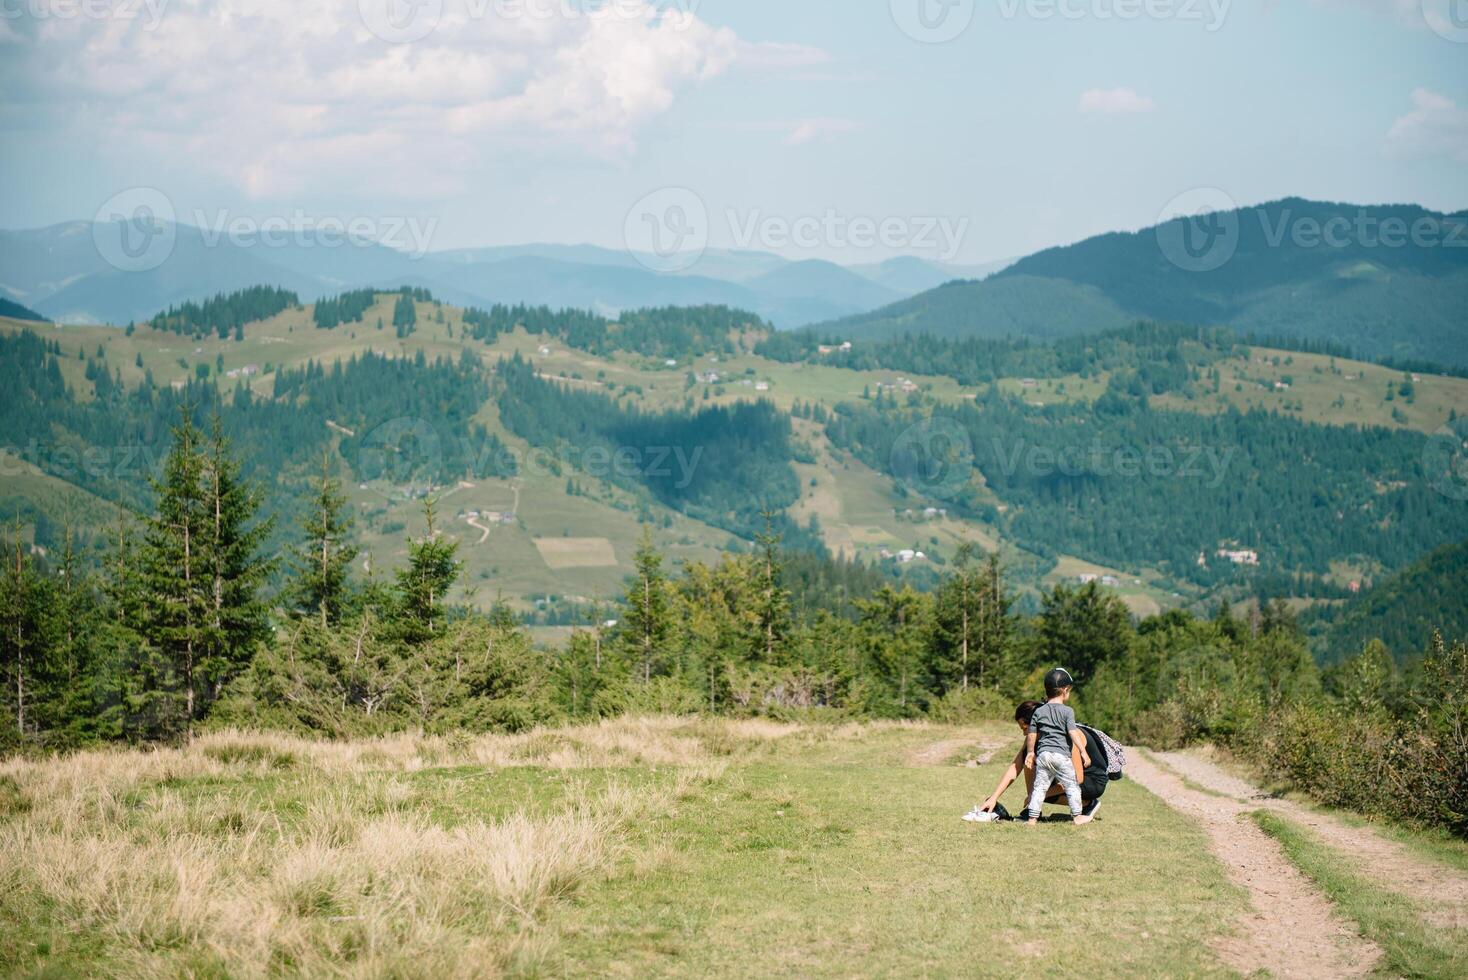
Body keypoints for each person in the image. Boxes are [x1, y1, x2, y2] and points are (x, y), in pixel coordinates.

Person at [964, 692, 1109, 823]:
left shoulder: (1066, 734)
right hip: (1068, 776)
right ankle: (1034, 811)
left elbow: (1078, 778)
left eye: (1026, 729)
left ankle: (1088, 804)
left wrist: (1038, 794)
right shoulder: (1033, 739)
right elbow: (1015, 767)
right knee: (1029, 758)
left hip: (1091, 780)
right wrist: (994, 798)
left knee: (1041, 791)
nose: (1024, 734)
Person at [1023, 668, 1092, 825]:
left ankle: (1032, 818)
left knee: (1039, 788)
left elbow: (1032, 734)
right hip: (1061, 756)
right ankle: (1077, 816)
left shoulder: (1039, 712)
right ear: (1065, 690)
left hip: (1043, 756)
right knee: (1072, 786)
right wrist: (1083, 751)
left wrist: (1030, 753)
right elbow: (1073, 732)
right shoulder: (1067, 711)